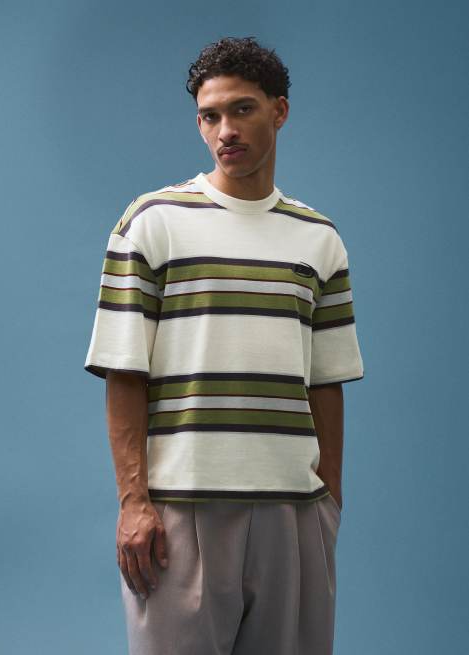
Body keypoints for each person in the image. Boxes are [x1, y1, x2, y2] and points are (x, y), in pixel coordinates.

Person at [84, 36, 364, 655]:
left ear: (279, 111)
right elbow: (123, 372)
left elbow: (327, 381)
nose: (224, 130)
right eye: (209, 116)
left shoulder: (320, 239)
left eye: (242, 109)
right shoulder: (151, 222)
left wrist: (329, 503)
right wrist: (134, 503)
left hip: (294, 512)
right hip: (180, 513)